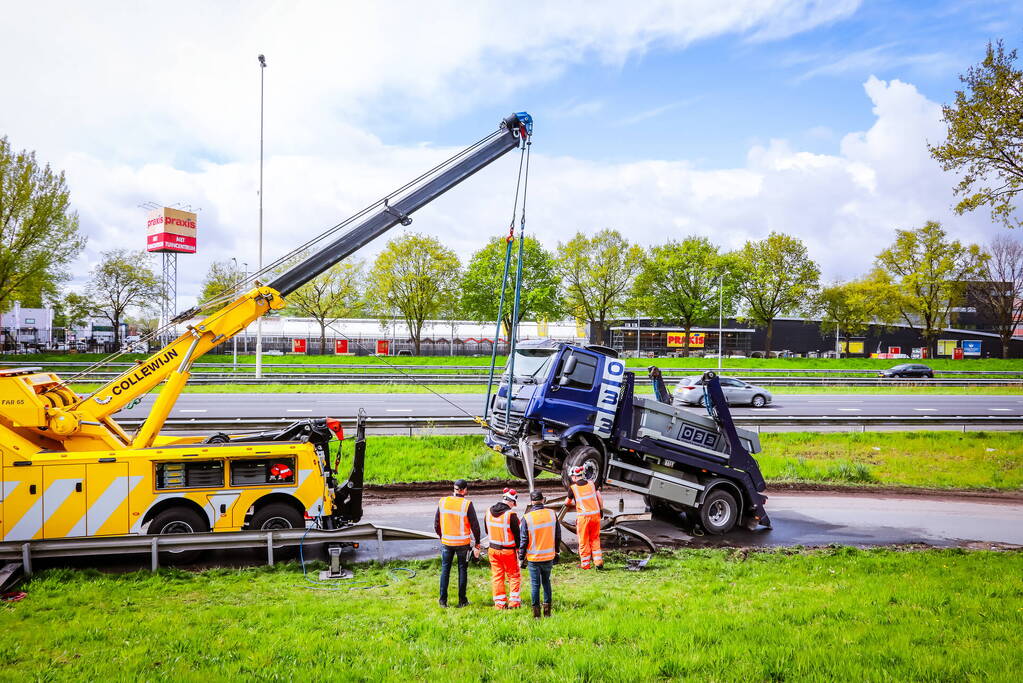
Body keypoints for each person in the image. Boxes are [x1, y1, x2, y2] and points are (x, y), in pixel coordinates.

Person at [434, 478, 481, 608]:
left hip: (447, 542)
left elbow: (436, 523)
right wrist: (477, 543)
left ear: (454, 489)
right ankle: (462, 600)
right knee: (462, 571)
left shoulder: (443, 501)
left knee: (445, 570)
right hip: (462, 544)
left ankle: (443, 601)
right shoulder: (467, 504)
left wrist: (441, 536)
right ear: (465, 490)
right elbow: (475, 526)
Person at [519, 489, 561, 618]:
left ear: (531, 502)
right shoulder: (552, 514)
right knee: (546, 582)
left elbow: (524, 540)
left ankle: (536, 615)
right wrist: (557, 551)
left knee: (535, 585)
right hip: (548, 556)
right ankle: (547, 613)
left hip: (534, 558)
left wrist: (521, 557)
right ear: (543, 500)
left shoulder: (527, 518)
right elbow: (557, 536)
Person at [485, 488, 522, 610]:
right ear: (512, 502)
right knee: (513, 575)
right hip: (508, 551)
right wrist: (519, 550)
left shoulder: (488, 512)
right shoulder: (511, 515)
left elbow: (487, 530)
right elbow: (518, 536)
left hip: (492, 550)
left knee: (497, 576)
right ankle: (514, 602)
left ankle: (500, 603)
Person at [565, 466, 604, 569]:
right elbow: (599, 497)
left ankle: (585, 564)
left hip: (584, 518)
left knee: (583, 540)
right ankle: (598, 561)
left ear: (574, 476)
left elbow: (567, 503)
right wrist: (601, 509)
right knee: (595, 538)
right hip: (596, 516)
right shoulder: (592, 484)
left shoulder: (573, 488)